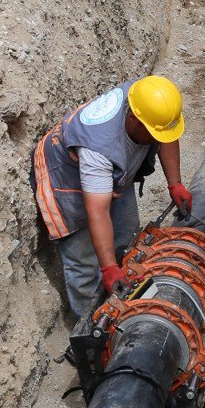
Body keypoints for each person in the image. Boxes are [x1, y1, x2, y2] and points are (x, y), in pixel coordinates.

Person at [31, 75, 193, 315]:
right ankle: (93, 328)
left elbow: (165, 134)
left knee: (127, 234)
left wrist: (175, 183)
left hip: (109, 169)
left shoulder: (147, 99)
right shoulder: (99, 149)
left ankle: (125, 296)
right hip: (64, 180)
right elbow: (97, 211)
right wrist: (108, 268)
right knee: (85, 264)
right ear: (134, 119)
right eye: (152, 134)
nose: (157, 140)